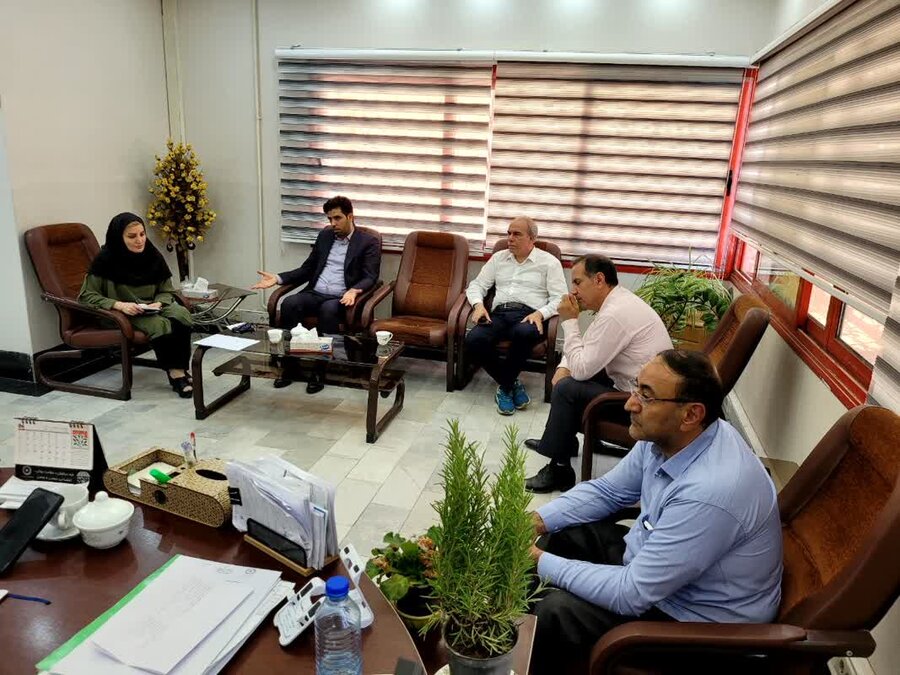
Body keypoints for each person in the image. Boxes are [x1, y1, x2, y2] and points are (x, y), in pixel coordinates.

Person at [528, 350, 783, 674]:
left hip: (702, 632)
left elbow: (631, 593)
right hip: (666, 580)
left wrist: (539, 560)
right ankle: (508, 631)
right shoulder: (670, 438)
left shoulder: (711, 491)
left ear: (691, 414)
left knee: (556, 612)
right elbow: (608, 491)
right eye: (636, 387)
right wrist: (538, 521)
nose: (630, 404)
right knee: (565, 535)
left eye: (646, 396)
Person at [524, 254, 672, 492]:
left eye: (578, 282)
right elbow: (587, 346)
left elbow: (582, 369)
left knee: (567, 389)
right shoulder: (617, 302)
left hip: (642, 405)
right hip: (636, 390)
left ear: (599, 280)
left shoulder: (615, 314)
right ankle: (562, 441)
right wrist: (563, 367)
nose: (573, 291)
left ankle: (560, 469)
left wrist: (569, 321)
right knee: (570, 376)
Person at [251, 195, 381, 392]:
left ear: (350, 216)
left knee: (328, 310)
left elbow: (370, 276)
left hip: (340, 297)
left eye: (337, 218)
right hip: (315, 293)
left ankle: (320, 370)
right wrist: (278, 278)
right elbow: (308, 268)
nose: (333, 223)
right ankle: (291, 367)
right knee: (289, 303)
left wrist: (354, 290)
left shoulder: (368, 242)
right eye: (329, 219)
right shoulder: (325, 236)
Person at [78, 212, 194, 398]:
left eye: (142, 234)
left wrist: (159, 302)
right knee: (159, 324)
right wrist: (120, 305)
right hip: (123, 313)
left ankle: (180, 367)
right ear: (119, 238)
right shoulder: (105, 261)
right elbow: (86, 296)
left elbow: (166, 290)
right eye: (132, 236)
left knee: (181, 314)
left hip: (154, 305)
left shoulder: (152, 254)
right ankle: (176, 374)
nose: (139, 241)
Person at [463, 217, 567, 415]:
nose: (510, 238)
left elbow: (560, 298)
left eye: (517, 234)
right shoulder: (498, 258)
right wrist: (478, 305)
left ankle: (504, 387)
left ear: (532, 238)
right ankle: (510, 383)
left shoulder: (549, 262)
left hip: (529, 315)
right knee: (474, 339)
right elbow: (477, 285)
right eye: (509, 233)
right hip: (499, 314)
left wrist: (541, 313)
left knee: (523, 333)